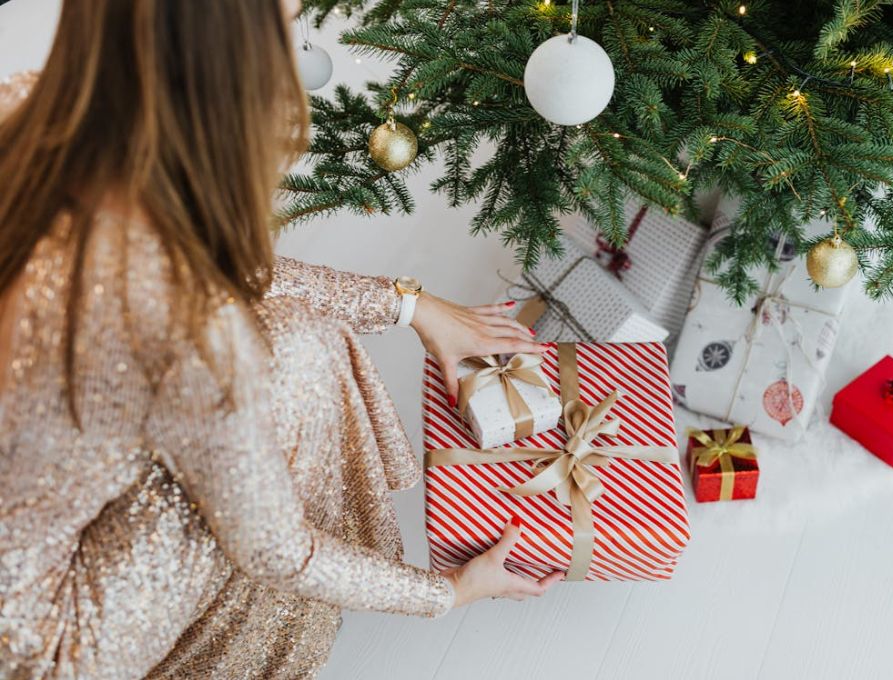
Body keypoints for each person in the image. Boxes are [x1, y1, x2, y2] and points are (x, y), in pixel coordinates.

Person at [0, 1, 562, 677]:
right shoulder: (182, 328)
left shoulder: (27, 108)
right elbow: (277, 550)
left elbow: (209, 261)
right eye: (286, 29)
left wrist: (408, 306)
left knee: (297, 344)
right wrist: (444, 593)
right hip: (48, 638)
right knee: (286, 391)